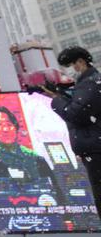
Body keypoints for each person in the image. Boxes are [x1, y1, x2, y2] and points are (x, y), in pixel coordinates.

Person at [42, 46, 101, 215]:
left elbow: (76, 114)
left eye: (68, 66)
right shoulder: (89, 83)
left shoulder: (90, 83)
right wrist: (60, 94)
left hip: (95, 149)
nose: (67, 71)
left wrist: (56, 100)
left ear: (80, 62)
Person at [0, 105, 64, 205]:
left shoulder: (37, 160)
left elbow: (57, 194)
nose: (5, 129)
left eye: (9, 124)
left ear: (16, 128)